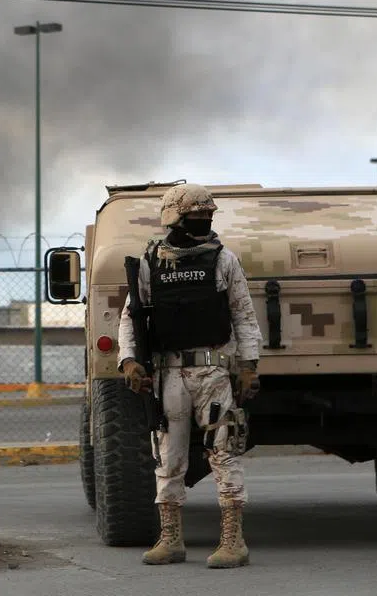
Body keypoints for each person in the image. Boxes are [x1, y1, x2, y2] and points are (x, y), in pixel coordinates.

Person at [116, 183, 263, 568]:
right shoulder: (151, 260)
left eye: (207, 217)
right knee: (168, 455)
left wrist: (249, 367)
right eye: (195, 218)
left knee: (223, 450)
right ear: (174, 219)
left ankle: (233, 540)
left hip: (213, 371)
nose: (203, 224)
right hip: (168, 374)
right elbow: (132, 317)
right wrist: (129, 361)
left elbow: (243, 315)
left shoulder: (223, 259)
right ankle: (171, 539)